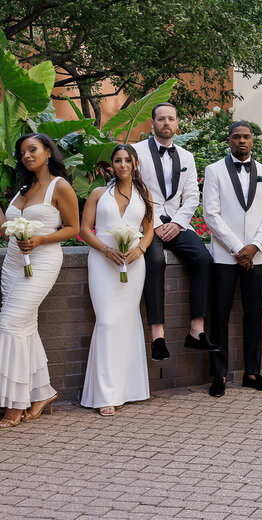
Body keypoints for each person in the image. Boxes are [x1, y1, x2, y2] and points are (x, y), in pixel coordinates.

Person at [0, 133, 80, 427]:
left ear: (48, 152)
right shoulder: (22, 188)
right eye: (22, 152)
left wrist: (40, 240)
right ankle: (42, 393)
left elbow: (73, 228)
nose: (26, 155)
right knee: (25, 325)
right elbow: (6, 228)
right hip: (13, 261)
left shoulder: (59, 186)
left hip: (43, 258)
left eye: (33, 149)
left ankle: (15, 403)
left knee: (10, 324)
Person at [134, 102, 218, 359]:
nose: (166, 123)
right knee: (156, 260)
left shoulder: (187, 157)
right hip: (147, 223)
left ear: (177, 123)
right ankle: (158, 336)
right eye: (161, 119)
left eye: (171, 118)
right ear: (152, 123)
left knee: (203, 259)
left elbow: (192, 196)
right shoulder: (136, 152)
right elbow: (134, 191)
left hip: (179, 223)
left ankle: (196, 331)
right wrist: (157, 225)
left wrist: (178, 223)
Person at [202, 121, 262, 397]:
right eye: (236, 137)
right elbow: (211, 214)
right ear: (229, 140)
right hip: (225, 256)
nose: (241, 141)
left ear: (253, 141)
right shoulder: (214, 170)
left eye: (246, 137)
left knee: (254, 316)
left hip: (257, 256)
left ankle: (252, 373)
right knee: (219, 316)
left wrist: (255, 246)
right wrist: (238, 248)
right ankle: (219, 375)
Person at [80, 144, 154, 415]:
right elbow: (85, 229)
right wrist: (107, 250)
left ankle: (127, 389)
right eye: (117, 160)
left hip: (133, 265)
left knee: (127, 322)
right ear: (111, 165)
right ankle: (104, 394)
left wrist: (140, 250)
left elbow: (148, 230)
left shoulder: (144, 195)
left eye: (127, 160)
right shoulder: (99, 194)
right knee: (108, 322)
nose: (122, 165)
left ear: (135, 164)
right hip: (102, 262)